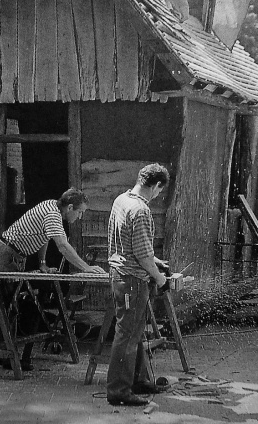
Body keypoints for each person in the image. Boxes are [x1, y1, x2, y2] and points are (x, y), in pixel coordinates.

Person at [0, 188, 105, 370]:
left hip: (15, 256)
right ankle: (7, 356)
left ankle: (10, 355)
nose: (80, 217)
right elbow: (62, 246)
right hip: (5, 255)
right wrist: (87, 268)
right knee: (10, 306)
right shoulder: (52, 214)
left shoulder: (52, 207)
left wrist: (42, 263)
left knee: (16, 306)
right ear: (69, 208)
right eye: (80, 212)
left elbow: (45, 236)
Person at [106, 164, 170, 406]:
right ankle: (118, 391)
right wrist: (160, 278)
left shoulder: (121, 200)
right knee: (127, 334)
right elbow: (142, 256)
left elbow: (130, 243)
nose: (157, 196)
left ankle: (138, 380)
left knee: (134, 331)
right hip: (131, 280)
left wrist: (156, 262)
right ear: (155, 186)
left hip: (121, 275)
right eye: (158, 191)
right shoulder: (141, 210)